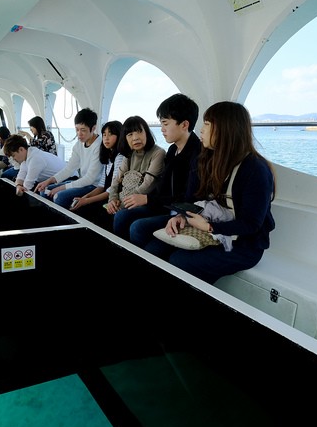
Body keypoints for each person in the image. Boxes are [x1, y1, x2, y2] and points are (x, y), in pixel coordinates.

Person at [141, 101, 276, 285]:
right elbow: (193, 198)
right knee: (154, 248)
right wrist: (181, 216)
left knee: (180, 261)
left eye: (206, 124)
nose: (201, 130)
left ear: (225, 130)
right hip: (208, 228)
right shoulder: (206, 159)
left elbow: (252, 224)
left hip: (243, 245)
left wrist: (209, 227)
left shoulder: (255, 169)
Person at [125, 93, 202, 243]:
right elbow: (163, 186)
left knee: (138, 227)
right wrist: (145, 198)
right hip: (165, 206)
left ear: (184, 125)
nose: (162, 129)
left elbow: (189, 197)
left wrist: (147, 199)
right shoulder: (173, 150)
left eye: (165, 124)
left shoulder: (198, 154)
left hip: (182, 213)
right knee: (124, 214)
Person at [106, 115, 166, 237]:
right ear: (125, 138)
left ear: (147, 133)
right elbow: (116, 181)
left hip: (149, 202)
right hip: (127, 200)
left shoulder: (158, 153)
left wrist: (122, 204)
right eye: (130, 135)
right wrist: (112, 199)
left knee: (121, 215)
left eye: (139, 132)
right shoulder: (128, 155)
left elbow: (147, 185)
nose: (135, 138)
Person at [35, 108, 103, 208]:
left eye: (83, 130)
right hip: (82, 182)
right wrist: (48, 181)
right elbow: (69, 168)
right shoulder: (78, 145)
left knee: (59, 197)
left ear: (93, 128)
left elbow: (90, 178)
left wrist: (61, 188)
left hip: (93, 186)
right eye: (77, 129)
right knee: (44, 191)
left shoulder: (99, 146)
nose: (79, 134)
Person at [69, 120, 124, 231]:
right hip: (106, 195)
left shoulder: (120, 157)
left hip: (114, 198)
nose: (106, 138)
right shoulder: (108, 158)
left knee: (90, 212)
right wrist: (84, 198)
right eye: (104, 135)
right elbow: (101, 186)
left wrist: (87, 201)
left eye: (111, 134)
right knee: (79, 207)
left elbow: (110, 190)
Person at [4, 115, 57, 180]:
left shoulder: (47, 134)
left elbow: (36, 145)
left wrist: (27, 134)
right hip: (37, 163)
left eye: (31, 126)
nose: (30, 129)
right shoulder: (39, 137)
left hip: (45, 164)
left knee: (8, 175)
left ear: (36, 126)